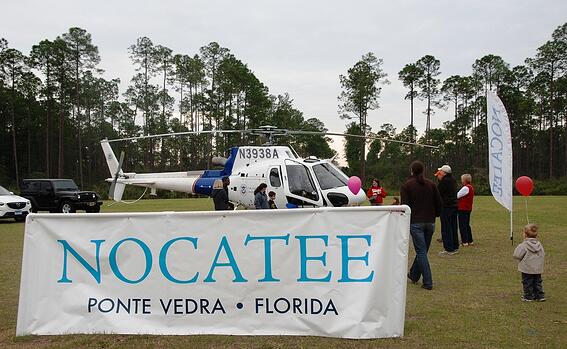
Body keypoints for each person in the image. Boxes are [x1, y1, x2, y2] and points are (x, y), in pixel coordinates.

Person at [401, 160, 443, 290]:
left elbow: (405, 206)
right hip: (430, 222)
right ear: (423, 170)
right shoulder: (431, 184)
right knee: (423, 251)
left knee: (421, 252)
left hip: (415, 222)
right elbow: (439, 203)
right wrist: (434, 215)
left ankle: (428, 282)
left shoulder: (407, 186)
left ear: (412, 171)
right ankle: (414, 275)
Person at [513, 224, 545, 302]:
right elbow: (543, 254)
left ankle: (528, 296)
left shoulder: (523, 245)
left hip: (527, 268)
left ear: (525, 235)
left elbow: (517, 255)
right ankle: (539, 296)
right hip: (537, 268)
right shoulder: (539, 245)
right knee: (537, 281)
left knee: (527, 282)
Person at [436, 164, 459, 255]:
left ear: (444, 172)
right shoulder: (453, 180)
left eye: (441, 171)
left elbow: (438, 192)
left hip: (446, 206)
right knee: (453, 226)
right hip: (454, 205)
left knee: (446, 227)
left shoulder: (444, 181)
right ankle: (455, 246)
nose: (439, 173)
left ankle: (448, 248)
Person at [457, 173, 475, 246]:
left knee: (462, 225)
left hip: (463, 208)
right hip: (468, 208)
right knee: (467, 225)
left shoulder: (465, 188)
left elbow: (457, 195)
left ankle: (464, 241)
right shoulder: (470, 187)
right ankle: (470, 240)